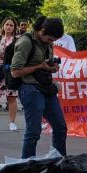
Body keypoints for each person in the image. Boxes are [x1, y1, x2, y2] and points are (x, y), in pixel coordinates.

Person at [11, 16, 68, 159]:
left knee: (60, 127)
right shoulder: (25, 42)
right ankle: (27, 165)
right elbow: (15, 72)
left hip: (46, 87)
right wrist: (39, 66)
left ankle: (58, 162)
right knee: (34, 131)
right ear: (42, 31)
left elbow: (45, 63)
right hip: (29, 87)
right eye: (49, 39)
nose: (51, 42)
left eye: (53, 40)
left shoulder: (48, 43)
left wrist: (51, 67)